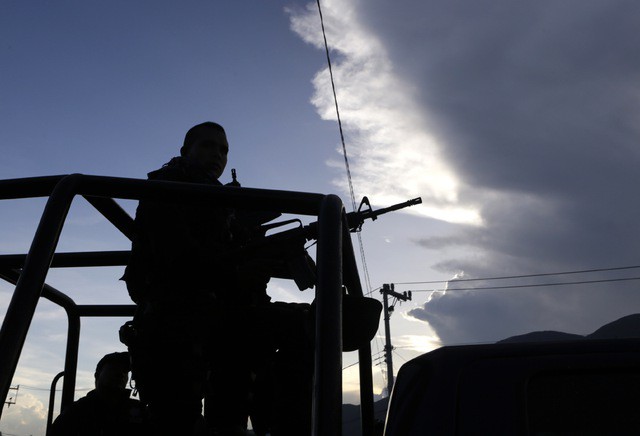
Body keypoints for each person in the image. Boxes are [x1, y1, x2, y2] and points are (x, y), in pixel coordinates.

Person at [122, 122, 312, 436]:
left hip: (219, 318)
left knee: (302, 324)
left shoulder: (221, 202)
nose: (218, 155)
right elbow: (179, 259)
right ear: (186, 151)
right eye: (208, 146)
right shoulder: (168, 187)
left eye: (223, 150)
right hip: (174, 318)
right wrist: (238, 266)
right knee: (175, 422)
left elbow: (235, 264)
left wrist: (260, 251)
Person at [49, 351, 147, 436]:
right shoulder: (77, 412)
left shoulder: (140, 411)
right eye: (114, 368)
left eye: (125, 371)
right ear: (97, 375)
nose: (120, 374)